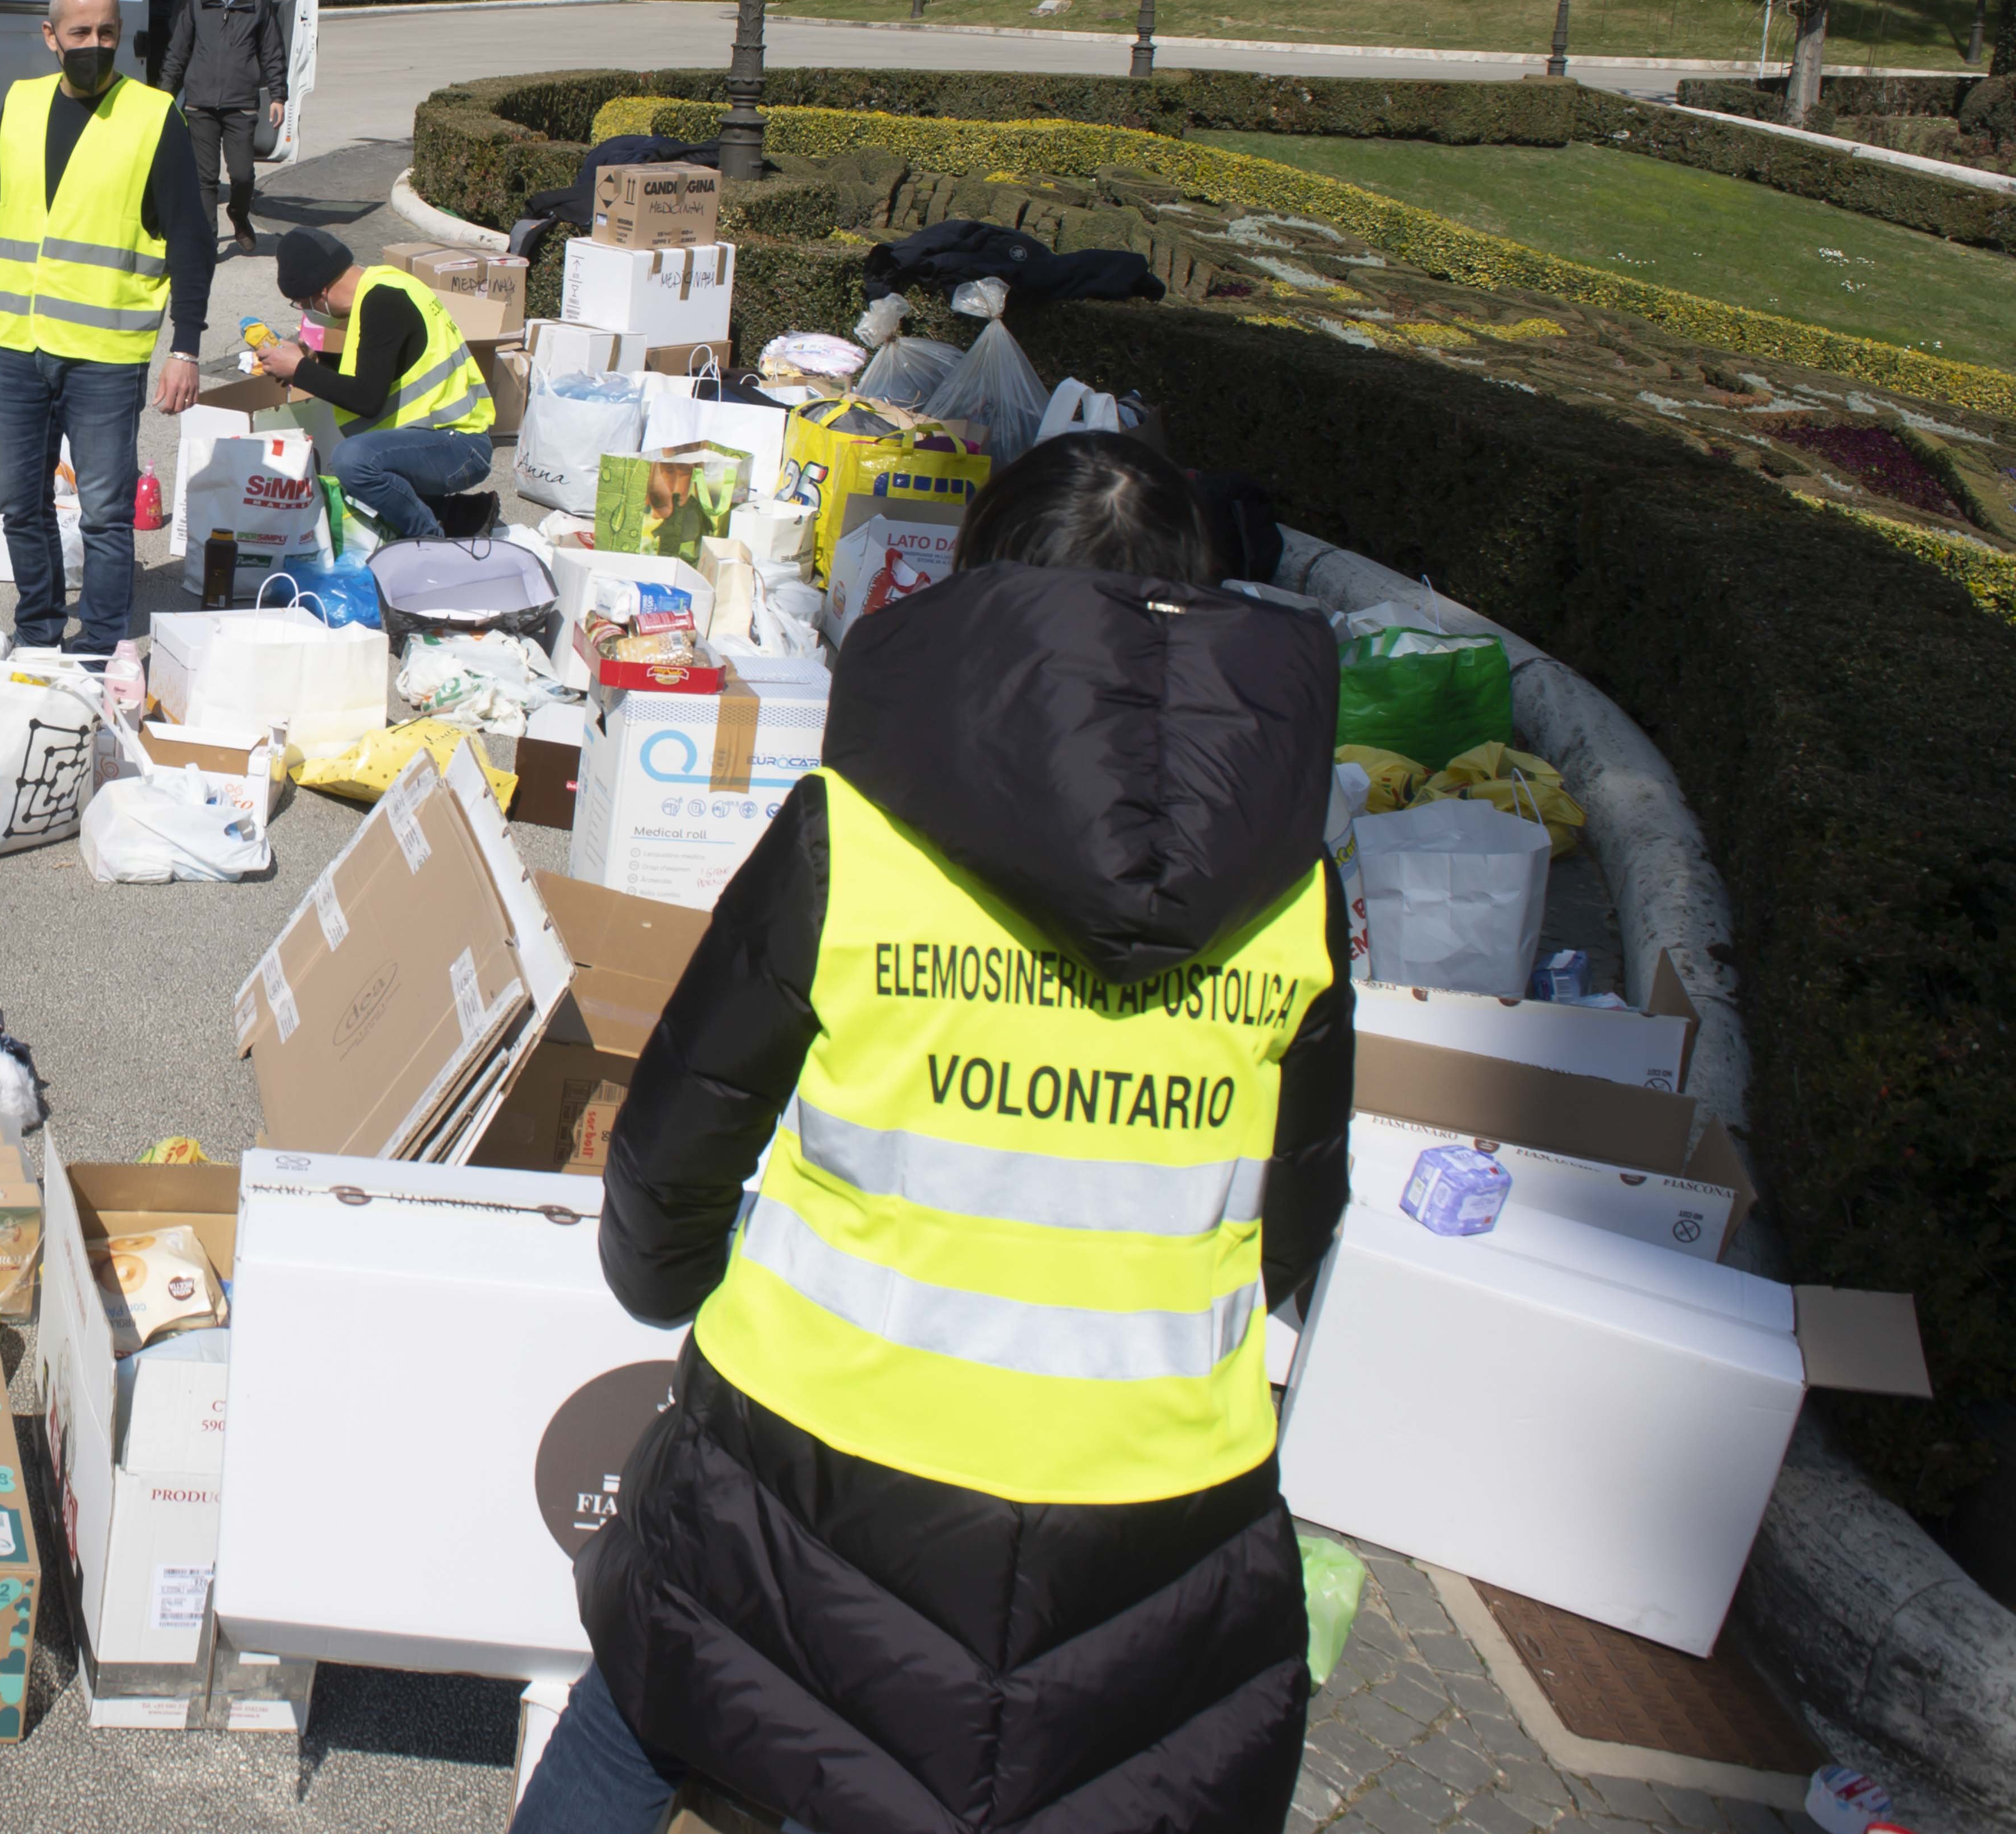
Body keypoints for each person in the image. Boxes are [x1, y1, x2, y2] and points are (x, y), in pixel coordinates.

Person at [519, 434, 1354, 1834]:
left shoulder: (853, 837)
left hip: (805, 1473)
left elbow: (674, 1150)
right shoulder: (1294, 893)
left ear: (983, 599)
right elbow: (1295, 1234)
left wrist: (667, 1287)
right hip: (1152, 1515)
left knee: (645, 1717)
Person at [0, 0, 209, 653]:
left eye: (107, 33)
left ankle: (96, 646)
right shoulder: (22, 104)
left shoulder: (154, 117)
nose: (95, 45)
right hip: (17, 351)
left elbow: (190, 239)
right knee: (18, 504)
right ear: (51, 36)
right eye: (80, 33)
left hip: (104, 359)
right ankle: (36, 630)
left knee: (105, 514)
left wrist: (186, 348)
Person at [248, 229, 492, 541]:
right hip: (447, 441)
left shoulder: (383, 303)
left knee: (354, 461)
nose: (306, 311)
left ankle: (429, 540)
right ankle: (458, 515)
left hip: (460, 447)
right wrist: (314, 362)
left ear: (319, 292)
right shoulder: (386, 286)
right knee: (362, 467)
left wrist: (300, 370)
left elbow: (366, 398)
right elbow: (376, 369)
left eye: (301, 303)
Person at [170, 0, 286, 253]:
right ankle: (208, 240)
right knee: (205, 180)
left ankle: (238, 213)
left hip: (241, 105)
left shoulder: (259, 6)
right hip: (200, 105)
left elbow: (273, 53)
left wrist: (278, 95)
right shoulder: (197, 5)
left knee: (241, 176)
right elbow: (177, 54)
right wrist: (164, 96)